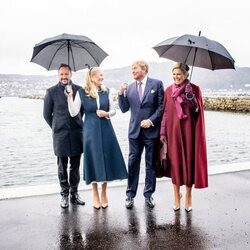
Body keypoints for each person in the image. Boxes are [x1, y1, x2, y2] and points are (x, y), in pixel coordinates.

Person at [66, 67, 128, 209]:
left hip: (106, 128)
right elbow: (73, 112)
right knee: (92, 159)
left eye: (102, 75)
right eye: (100, 75)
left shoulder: (105, 91)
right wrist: (69, 97)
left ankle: (104, 192)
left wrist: (106, 114)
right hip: (90, 130)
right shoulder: (82, 92)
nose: (102, 77)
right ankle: (95, 193)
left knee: (106, 158)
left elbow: (114, 110)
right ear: (92, 77)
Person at [159, 62, 208, 212]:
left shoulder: (194, 89)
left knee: (188, 164)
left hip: (189, 133)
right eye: (174, 75)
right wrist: (162, 133)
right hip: (172, 133)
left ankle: (188, 196)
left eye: (179, 74)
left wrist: (191, 97)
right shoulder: (168, 90)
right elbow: (166, 113)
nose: (176, 77)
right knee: (174, 165)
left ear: (186, 75)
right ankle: (176, 196)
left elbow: (197, 112)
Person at [118, 60, 164, 209]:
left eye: (135, 68)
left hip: (151, 132)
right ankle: (130, 195)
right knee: (132, 164)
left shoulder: (156, 84)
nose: (132, 71)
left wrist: (151, 121)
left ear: (144, 69)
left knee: (150, 164)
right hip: (134, 133)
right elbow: (124, 109)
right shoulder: (130, 88)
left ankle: (149, 194)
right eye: (132, 69)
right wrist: (120, 94)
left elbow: (161, 107)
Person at [43, 64, 85, 209]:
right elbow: (47, 115)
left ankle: (74, 193)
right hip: (60, 135)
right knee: (62, 166)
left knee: (75, 166)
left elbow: (82, 111)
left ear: (70, 74)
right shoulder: (51, 92)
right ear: (58, 75)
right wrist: (56, 127)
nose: (64, 77)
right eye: (61, 74)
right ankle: (64, 194)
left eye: (66, 74)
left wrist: (77, 123)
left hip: (76, 133)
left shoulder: (79, 90)